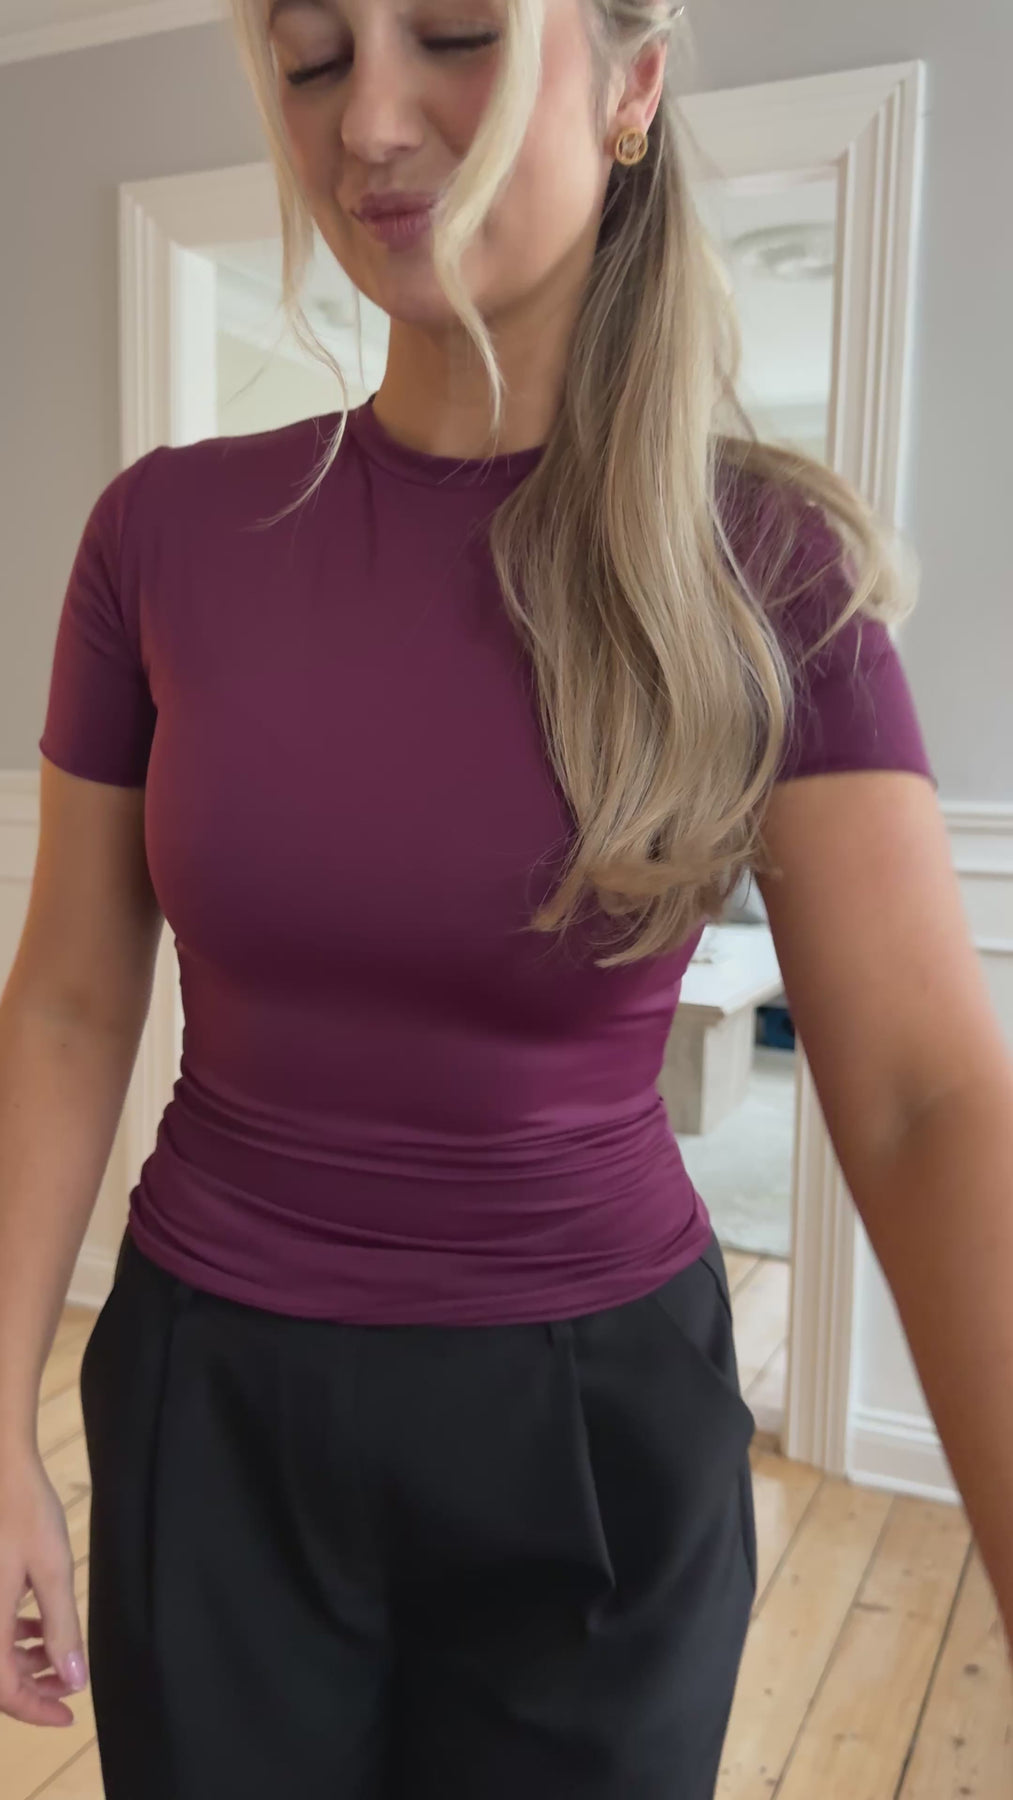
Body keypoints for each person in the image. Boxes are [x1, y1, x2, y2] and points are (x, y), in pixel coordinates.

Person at [2, 0, 1012, 1794]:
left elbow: (925, 1096)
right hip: (209, 1410)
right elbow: (73, 998)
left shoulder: (764, 569)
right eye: (313, 59)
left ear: (633, 82)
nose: (370, 123)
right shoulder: (161, 538)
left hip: (592, 1439)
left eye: (457, 32)